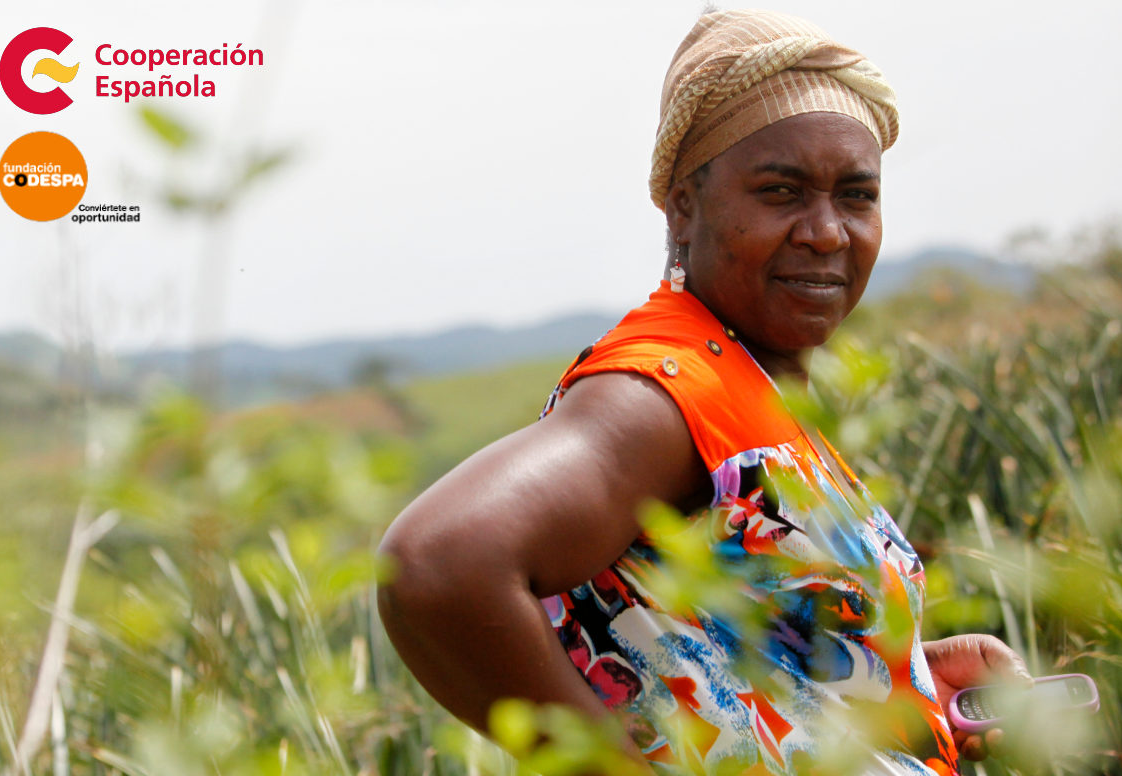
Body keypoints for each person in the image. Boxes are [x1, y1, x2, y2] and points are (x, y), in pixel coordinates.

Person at [377, 9, 1030, 775]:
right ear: (683, 206)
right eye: (781, 191)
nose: (827, 232)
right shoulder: (663, 392)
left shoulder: (746, 388)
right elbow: (436, 566)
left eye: (856, 196)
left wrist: (907, 671)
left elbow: (711, 643)